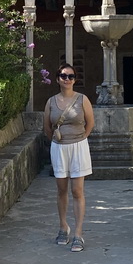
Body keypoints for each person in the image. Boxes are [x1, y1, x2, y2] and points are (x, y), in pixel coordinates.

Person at [43, 63, 95, 252]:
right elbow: (47, 128)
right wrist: (58, 141)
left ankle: (78, 234)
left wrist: (79, 138)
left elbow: (90, 123)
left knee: (77, 190)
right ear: (57, 79)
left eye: (71, 76)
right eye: (63, 76)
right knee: (61, 189)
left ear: (75, 80)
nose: (67, 79)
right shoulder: (51, 102)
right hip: (59, 147)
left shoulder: (82, 99)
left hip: (78, 146)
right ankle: (63, 227)